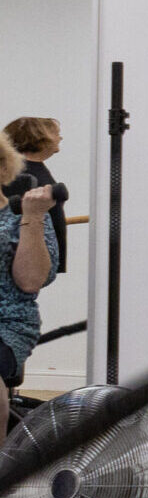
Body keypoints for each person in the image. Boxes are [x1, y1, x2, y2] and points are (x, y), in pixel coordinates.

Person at [0, 131, 59, 403]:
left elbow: (30, 281)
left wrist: (33, 217)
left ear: (3, 167)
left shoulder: (24, 216)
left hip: (6, 324)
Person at [3, 117, 68, 275]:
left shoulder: (35, 168)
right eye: (56, 134)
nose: (60, 138)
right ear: (39, 137)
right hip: (23, 264)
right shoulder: (20, 174)